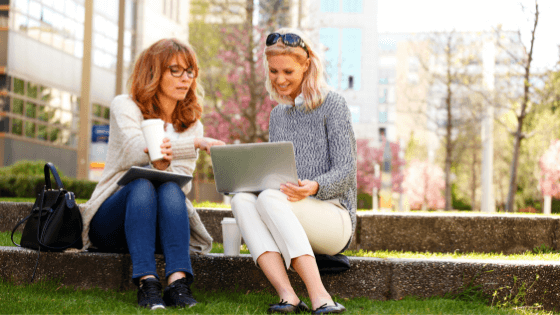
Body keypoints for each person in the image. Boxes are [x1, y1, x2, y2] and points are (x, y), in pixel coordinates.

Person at [80, 38, 224, 310]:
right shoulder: (126, 106)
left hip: (160, 224)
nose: (186, 79)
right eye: (176, 70)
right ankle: (147, 283)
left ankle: (178, 283)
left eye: (190, 71)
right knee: (142, 182)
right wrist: (190, 146)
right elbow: (137, 150)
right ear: (153, 73)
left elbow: (180, 179)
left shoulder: (193, 124)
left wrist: (177, 152)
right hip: (112, 222)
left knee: (170, 188)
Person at [230, 28, 357, 314]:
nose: (279, 79)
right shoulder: (278, 115)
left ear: (306, 66)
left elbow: (347, 171)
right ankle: (288, 295)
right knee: (241, 200)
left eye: (287, 71)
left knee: (270, 199)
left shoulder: (333, 104)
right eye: (273, 71)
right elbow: (276, 173)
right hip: (287, 209)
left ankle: (320, 296)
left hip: (333, 217)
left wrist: (313, 187)